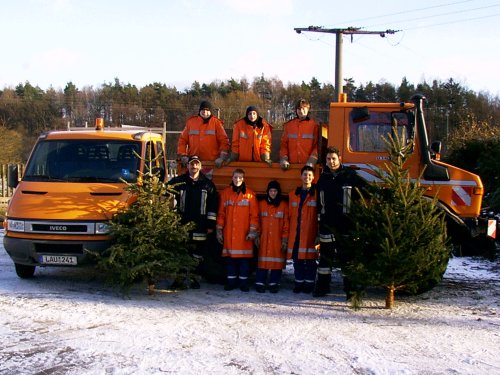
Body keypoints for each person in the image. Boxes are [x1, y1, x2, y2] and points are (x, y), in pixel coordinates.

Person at [314, 146, 367, 299]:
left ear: (339, 159)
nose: (331, 162)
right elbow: (319, 204)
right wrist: (319, 224)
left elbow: (366, 191)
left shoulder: (350, 176)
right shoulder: (323, 179)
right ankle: (322, 287)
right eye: (328, 159)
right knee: (325, 260)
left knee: (347, 259)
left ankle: (351, 290)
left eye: (334, 159)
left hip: (346, 225)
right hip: (327, 225)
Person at [167, 155, 218, 289]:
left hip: (200, 227)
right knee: (181, 253)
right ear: (187, 166)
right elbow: (165, 192)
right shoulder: (179, 182)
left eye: (196, 164)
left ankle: (194, 279)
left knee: (198, 255)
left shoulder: (208, 185)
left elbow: (212, 207)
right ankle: (179, 280)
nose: (194, 166)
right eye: (191, 164)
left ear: (200, 166)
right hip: (182, 225)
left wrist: (210, 225)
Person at [216, 168, 259, 292]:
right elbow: (221, 214)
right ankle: (231, 283)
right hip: (229, 234)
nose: (238, 180)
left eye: (240, 177)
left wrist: (252, 232)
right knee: (230, 261)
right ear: (232, 178)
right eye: (235, 177)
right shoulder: (225, 194)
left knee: (244, 262)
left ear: (243, 179)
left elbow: (254, 216)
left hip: (244, 236)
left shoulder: (250, 195)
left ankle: (243, 284)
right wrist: (219, 230)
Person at [287, 165, 318, 294]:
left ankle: (309, 284)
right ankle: (298, 283)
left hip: (310, 233)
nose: (307, 177)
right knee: (297, 260)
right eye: (305, 174)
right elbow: (289, 215)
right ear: (301, 176)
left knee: (310, 260)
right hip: (296, 232)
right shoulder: (293, 194)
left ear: (313, 177)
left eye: (309, 175)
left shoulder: (316, 194)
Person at [255, 180, 289, 293]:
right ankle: (260, 283)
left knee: (276, 262)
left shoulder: (283, 205)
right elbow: (257, 221)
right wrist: (256, 235)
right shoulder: (261, 204)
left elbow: (286, 224)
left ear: (278, 192)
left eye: (275, 191)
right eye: (271, 190)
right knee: (262, 261)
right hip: (264, 238)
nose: (273, 193)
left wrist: (284, 240)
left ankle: (274, 284)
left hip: (277, 240)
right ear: (267, 191)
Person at [177, 100, 229, 168]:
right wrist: (183, 155)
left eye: (207, 110)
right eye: (203, 110)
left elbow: (224, 141)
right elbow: (182, 140)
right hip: (193, 162)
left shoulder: (217, 123)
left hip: (211, 163)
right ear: (199, 111)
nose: (205, 112)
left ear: (210, 111)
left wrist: (222, 157)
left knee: (207, 179)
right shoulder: (191, 122)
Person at [279, 99, 319, 171]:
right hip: (291, 167)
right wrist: (284, 159)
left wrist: (312, 161)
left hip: (307, 167)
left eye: (303, 108)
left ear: (308, 109)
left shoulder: (314, 126)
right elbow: (283, 145)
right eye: (299, 109)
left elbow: (316, 146)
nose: (301, 111)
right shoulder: (289, 125)